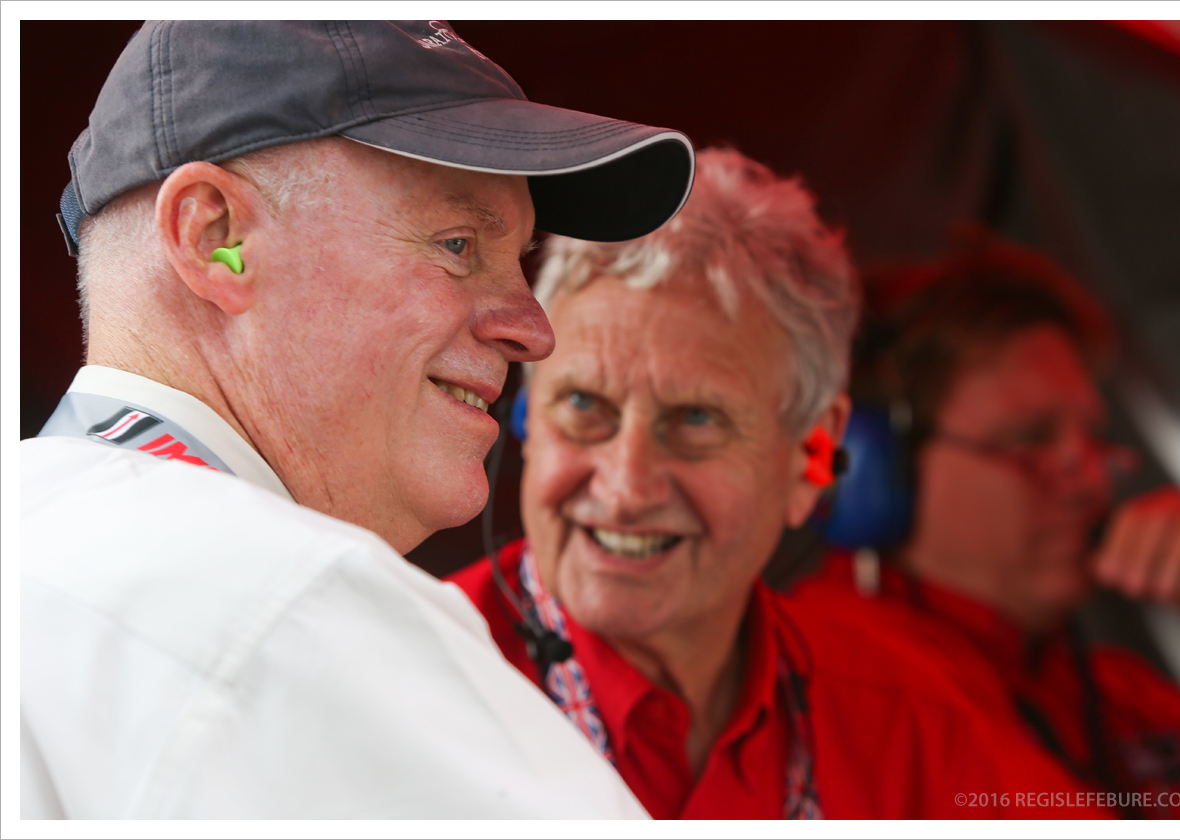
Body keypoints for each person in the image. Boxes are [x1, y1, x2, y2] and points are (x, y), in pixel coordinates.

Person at [21, 20, 696, 819]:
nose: (532, 330)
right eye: (458, 244)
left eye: (520, 259)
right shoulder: (292, 599)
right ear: (215, 238)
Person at [450, 149, 1113, 818]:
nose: (625, 488)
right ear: (528, 418)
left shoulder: (910, 719)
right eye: (584, 406)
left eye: (697, 419)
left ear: (809, 460)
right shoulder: (414, 677)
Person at [789, 238, 1180, 818]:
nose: (1092, 481)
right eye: (1030, 439)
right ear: (868, 462)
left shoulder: (1126, 699)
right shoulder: (830, 667)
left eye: (1093, 440)